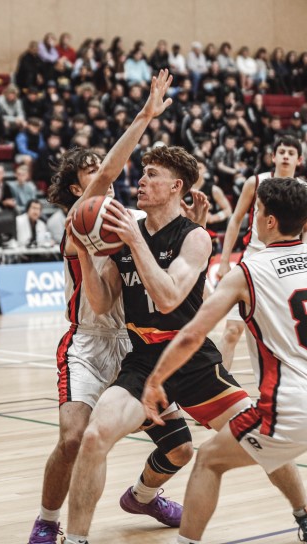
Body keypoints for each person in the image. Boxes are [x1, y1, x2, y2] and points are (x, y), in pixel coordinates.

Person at [63, 146, 307, 544]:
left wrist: (135, 242)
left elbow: (169, 297)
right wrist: (84, 249)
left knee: (261, 440)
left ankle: (306, 513)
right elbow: (100, 304)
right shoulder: (121, 239)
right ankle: (79, 538)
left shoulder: (195, 237)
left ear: (175, 187)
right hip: (145, 360)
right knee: (95, 436)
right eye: (143, 174)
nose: (141, 181)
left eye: (151, 175)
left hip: (193, 360)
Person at [141, 176, 307, 544]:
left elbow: (192, 334)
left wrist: (156, 379)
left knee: (209, 460)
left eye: (257, 211)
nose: (253, 216)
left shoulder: (248, 272)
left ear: (269, 221)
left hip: (291, 406)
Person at [28, 71, 198, 544]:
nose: (107, 173)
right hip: (86, 343)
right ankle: (46, 521)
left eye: (102, 166)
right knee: (72, 440)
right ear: (78, 188)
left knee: (181, 448)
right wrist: (145, 115)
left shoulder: (134, 221)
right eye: (93, 170)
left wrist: (193, 220)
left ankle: (143, 496)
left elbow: (175, 245)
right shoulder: (76, 223)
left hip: (132, 345)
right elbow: (106, 178)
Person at [216, 136, 307, 370]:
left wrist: (306, 252)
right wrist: (223, 261)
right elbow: (236, 219)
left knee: (280, 337)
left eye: (291, 153)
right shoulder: (256, 182)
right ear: (273, 156)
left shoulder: (306, 190)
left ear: (299, 160)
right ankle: (219, 393)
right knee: (232, 330)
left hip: (286, 264)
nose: (286, 156)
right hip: (253, 260)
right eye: (281, 151)